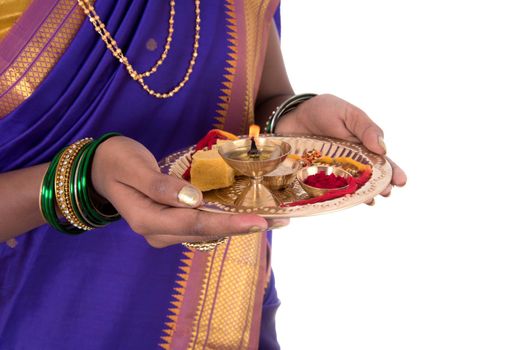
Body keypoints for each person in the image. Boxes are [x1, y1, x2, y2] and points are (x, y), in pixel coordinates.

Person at [0, 0, 406, 349]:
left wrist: (292, 117)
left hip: (220, 303)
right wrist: (82, 180)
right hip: (36, 313)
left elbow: (260, 97)